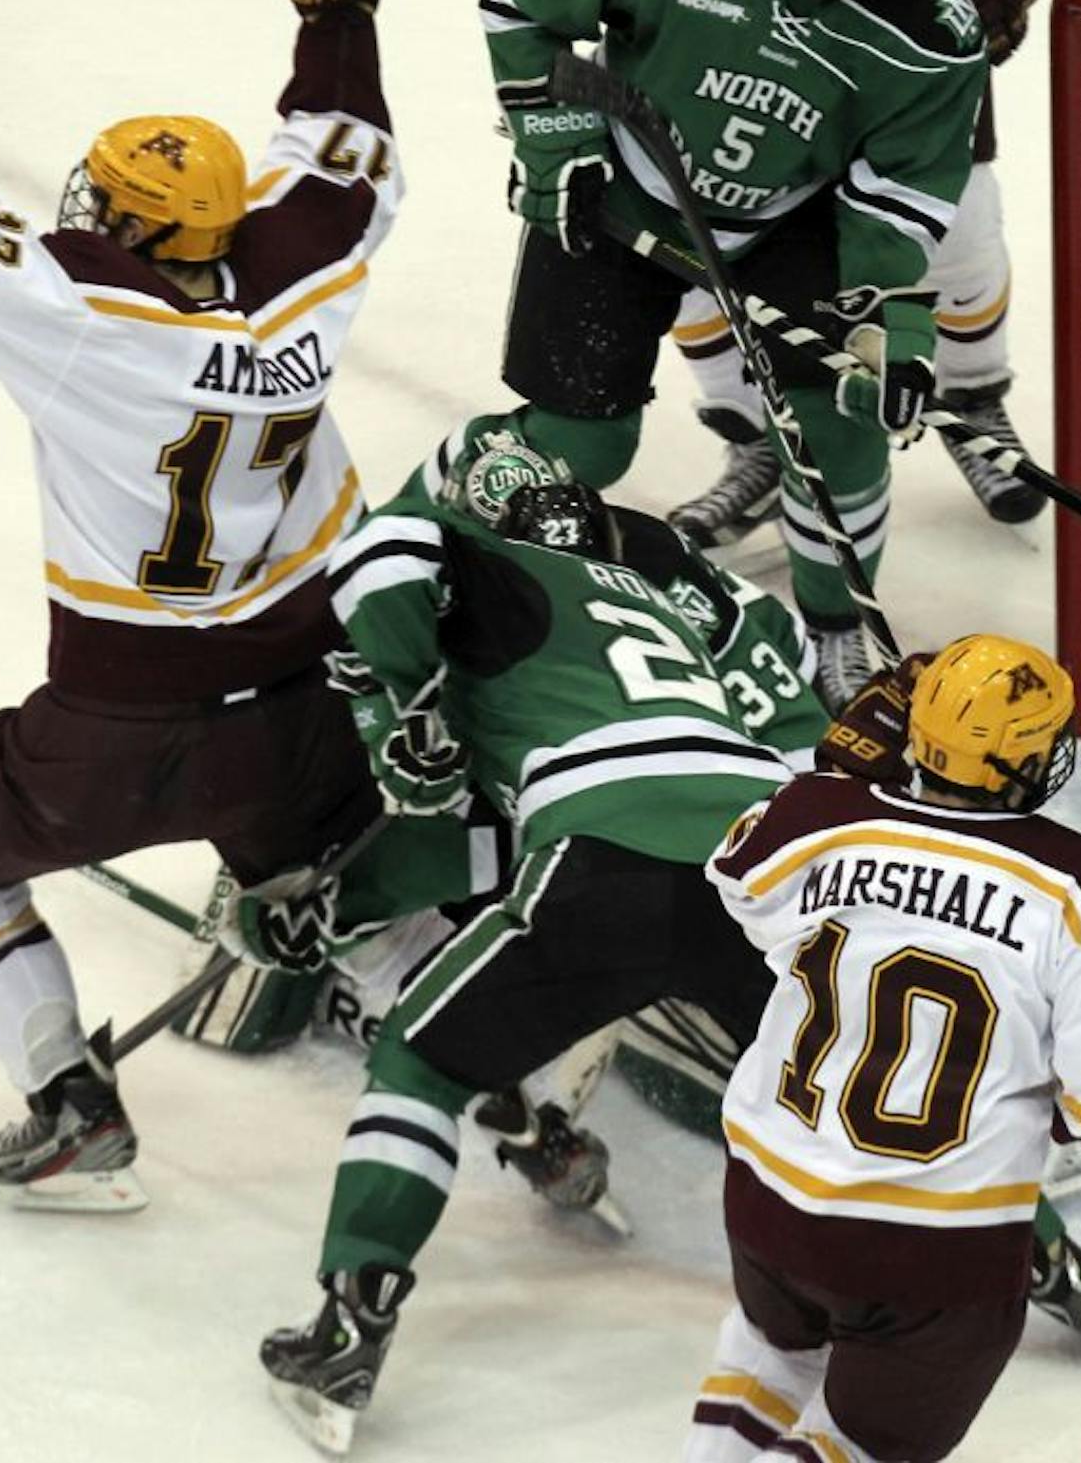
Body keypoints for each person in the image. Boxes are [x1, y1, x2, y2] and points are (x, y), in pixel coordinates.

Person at [0, 0, 403, 1209]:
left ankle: (71, 1103)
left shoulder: (89, 323)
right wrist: (335, 6)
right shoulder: (303, 284)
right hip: (305, 712)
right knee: (347, 892)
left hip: (121, 735)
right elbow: (348, 150)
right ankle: (516, 1100)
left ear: (131, 225)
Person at [248, 472, 797, 1454]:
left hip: (606, 858)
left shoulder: (494, 572)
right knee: (869, 1083)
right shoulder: (673, 602)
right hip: (771, 860)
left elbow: (383, 556)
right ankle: (1067, 1267)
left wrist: (403, 702)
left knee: (421, 1059)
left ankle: (351, 1317)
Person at [686, 635, 1081, 1461]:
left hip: (769, 1203)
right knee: (865, 1443)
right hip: (931, 1256)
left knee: (769, 1348)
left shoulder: (817, 818)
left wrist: (851, 761)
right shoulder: (1077, 881)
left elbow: (738, 874)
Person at [482, 0, 989, 709]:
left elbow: (904, 189)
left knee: (843, 421)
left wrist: (890, 320)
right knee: (581, 444)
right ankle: (464, 523)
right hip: (628, 189)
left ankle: (837, 628)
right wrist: (557, 143)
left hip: (790, 218)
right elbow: (518, 1)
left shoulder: (928, 24)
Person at [621, 0, 1048, 537]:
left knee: (963, 222)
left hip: (904, 38)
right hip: (750, 50)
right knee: (695, 251)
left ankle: (972, 402)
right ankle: (758, 441)